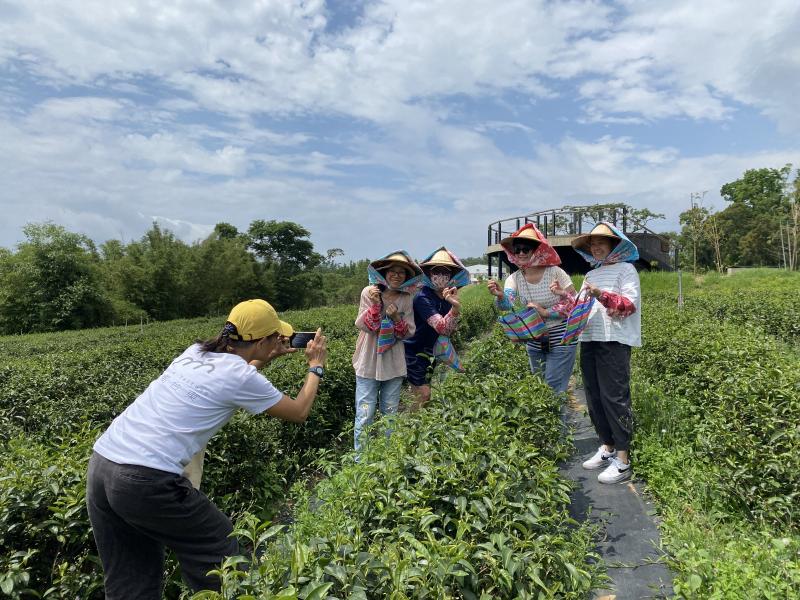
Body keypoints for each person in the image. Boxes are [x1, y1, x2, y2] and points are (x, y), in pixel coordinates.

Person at [86, 299, 327, 598]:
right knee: (221, 547)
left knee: (130, 579)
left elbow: (230, 377)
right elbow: (299, 411)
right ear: (263, 341)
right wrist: (315, 367)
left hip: (102, 465)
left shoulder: (195, 352)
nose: (279, 342)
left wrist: (264, 357)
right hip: (144, 479)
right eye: (275, 338)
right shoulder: (241, 377)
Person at [571, 222, 641, 484]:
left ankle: (623, 460)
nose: (596, 247)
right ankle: (607, 447)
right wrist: (565, 297)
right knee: (594, 396)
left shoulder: (626, 270)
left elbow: (628, 304)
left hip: (615, 339)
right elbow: (581, 306)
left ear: (614, 244)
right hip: (590, 338)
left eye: (601, 242)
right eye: (592, 243)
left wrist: (601, 294)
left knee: (615, 397)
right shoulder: (591, 275)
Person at [488, 223, 578, 396]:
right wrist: (500, 296)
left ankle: (561, 423)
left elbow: (575, 302)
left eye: (526, 249)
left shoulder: (555, 273)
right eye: (517, 249)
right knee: (540, 389)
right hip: (535, 340)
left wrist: (546, 313)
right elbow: (508, 303)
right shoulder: (514, 278)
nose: (521, 253)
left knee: (553, 389)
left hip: (561, 337)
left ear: (536, 250)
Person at [352, 251, 421, 452]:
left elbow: (408, 333)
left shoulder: (406, 299)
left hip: (393, 362)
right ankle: (361, 460)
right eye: (393, 271)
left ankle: (387, 458)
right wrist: (375, 306)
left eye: (402, 273)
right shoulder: (369, 292)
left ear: (406, 277)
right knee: (365, 413)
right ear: (385, 273)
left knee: (390, 413)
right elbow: (366, 326)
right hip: (368, 361)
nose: (397, 275)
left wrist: (397, 319)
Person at [404, 247, 470, 410]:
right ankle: (411, 428)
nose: (440, 277)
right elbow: (441, 327)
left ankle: (415, 425)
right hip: (413, 351)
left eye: (445, 272)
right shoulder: (423, 297)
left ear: (451, 276)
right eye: (436, 272)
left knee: (424, 395)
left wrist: (452, 305)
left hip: (430, 351)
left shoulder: (447, 297)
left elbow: (449, 329)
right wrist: (455, 308)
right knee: (424, 394)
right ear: (428, 274)